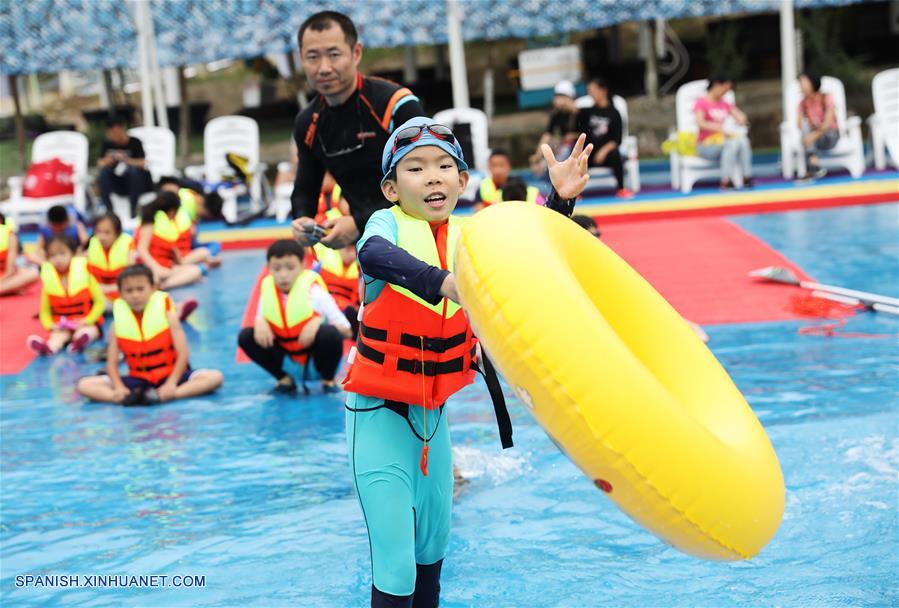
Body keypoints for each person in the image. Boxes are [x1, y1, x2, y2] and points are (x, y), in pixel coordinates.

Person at [343, 116, 592, 607]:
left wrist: (560, 201)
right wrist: (443, 282)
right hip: (376, 418)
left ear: (462, 181)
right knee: (396, 566)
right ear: (391, 188)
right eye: (415, 168)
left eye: (444, 166)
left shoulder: (472, 236)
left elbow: (529, 257)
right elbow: (372, 256)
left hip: (433, 424)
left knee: (432, 556)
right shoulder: (385, 225)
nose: (432, 176)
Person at [289, 10, 426, 251]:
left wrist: (361, 222)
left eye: (334, 55)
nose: (324, 68)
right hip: (372, 243)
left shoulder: (395, 105)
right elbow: (305, 189)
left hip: (423, 231)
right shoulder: (307, 123)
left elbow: (428, 179)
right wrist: (302, 221)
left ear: (356, 53)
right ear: (301, 58)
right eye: (312, 57)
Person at [76, 264, 223, 406]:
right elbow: (112, 364)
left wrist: (171, 384)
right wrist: (119, 387)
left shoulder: (169, 317)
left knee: (215, 377)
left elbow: (183, 354)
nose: (135, 295)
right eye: (129, 290)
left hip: (171, 376)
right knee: (84, 385)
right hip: (138, 379)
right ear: (120, 294)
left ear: (152, 289)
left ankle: (167, 395)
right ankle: (122, 398)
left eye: (140, 289)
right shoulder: (116, 326)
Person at [238, 239, 352, 394]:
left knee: (329, 334)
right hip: (287, 361)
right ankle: (284, 379)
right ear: (269, 269)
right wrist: (260, 321)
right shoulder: (268, 291)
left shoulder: (315, 293)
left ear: (302, 266)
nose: (283, 275)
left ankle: (328, 380)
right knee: (246, 336)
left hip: (315, 360)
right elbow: (261, 320)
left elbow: (347, 330)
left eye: (290, 268)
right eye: (276, 269)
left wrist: (318, 322)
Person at [27, 235, 105, 355]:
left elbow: (99, 302)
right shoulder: (48, 279)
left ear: (72, 254)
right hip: (62, 325)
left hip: (85, 322)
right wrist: (51, 325)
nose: (58, 259)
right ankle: (50, 348)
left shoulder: (85, 274)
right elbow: (45, 311)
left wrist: (87, 320)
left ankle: (79, 342)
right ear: (47, 258)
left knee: (88, 331)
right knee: (57, 336)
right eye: (53, 256)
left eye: (62, 254)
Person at [693, 75, 754, 190]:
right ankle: (726, 180)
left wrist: (741, 120)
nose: (726, 92)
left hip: (726, 143)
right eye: (724, 89)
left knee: (743, 141)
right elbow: (701, 123)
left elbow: (740, 116)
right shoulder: (701, 103)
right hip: (706, 145)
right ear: (716, 85)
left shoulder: (725, 104)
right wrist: (719, 129)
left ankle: (746, 176)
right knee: (731, 144)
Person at [135, 192, 205, 290]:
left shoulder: (164, 222)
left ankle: (164, 284)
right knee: (193, 272)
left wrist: (176, 261)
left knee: (196, 270)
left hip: (165, 265)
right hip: (151, 267)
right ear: (172, 211)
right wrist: (156, 268)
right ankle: (160, 285)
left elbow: (169, 247)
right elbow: (141, 249)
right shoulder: (150, 220)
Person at [577, 77, 633, 198]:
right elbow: (575, 117)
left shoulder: (614, 113)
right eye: (589, 91)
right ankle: (575, 191)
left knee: (615, 154)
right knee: (577, 157)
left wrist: (603, 151)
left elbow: (617, 139)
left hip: (607, 152)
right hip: (589, 152)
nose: (590, 94)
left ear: (602, 91)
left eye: (592, 91)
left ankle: (621, 188)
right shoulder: (586, 113)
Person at [96, 117, 154, 217]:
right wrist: (109, 160)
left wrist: (126, 160)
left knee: (133, 171)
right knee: (104, 173)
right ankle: (109, 210)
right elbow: (100, 163)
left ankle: (133, 208)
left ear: (122, 129)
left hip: (137, 183)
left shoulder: (135, 142)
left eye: (116, 132)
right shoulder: (108, 144)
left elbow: (143, 163)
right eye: (111, 133)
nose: (114, 136)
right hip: (119, 183)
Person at [529, 80, 579, 177]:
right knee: (542, 165)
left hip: (577, 148)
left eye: (561, 97)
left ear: (569, 98)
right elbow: (548, 134)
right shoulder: (557, 114)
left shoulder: (580, 112)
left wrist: (572, 136)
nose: (557, 100)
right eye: (556, 97)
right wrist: (538, 155)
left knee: (563, 150)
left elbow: (589, 132)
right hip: (565, 147)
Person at [797, 72, 837, 180]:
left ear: (812, 82)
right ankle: (814, 164)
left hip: (829, 136)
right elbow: (799, 125)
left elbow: (828, 124)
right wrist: (804, 117)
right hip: (812, 139)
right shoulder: (802, 103)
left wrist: (814, 134)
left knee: (807, 135)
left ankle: (811, 168)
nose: (800, 85)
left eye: (803, 82)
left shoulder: (826, 97)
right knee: (805, 128)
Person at [474, 150, 542, 209]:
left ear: (509, 166)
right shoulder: (480, 191)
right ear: (488, 167)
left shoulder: (520, 186)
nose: (498, 170)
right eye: (494, 165)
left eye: (501, 165)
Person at [0, 213, 39, 296]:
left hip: (5, 275)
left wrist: (2, 280)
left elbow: (9, 271)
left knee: (33, 274)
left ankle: (6, 288)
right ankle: (9, 289)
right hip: (6, 279)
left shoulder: (10, 236)